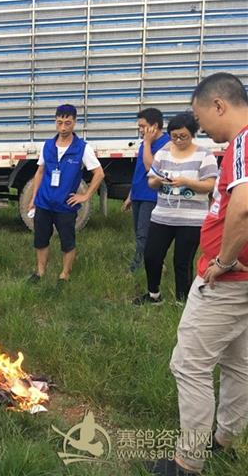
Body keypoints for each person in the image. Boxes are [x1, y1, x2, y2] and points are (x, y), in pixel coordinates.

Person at [147, 72, 248, 476]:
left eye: (201, 117)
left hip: (228, 280)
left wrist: (223, 260)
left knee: (189, 364)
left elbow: (242, 207)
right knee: (238, 361)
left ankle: (187, 462)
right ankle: (226, 439)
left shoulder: (243, 142)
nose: (201, 127)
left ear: (219, 105)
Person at [132, 112, 218, 305]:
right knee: (152, 256)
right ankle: (153, 295)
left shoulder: (205, 154)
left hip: (192, 219)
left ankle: (182, 300)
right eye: (174, 136)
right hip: (162, 216)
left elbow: (210, 185)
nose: (178, 140)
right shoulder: (163, 152)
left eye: (183, 136)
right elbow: (151, 180)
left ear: (193, 134)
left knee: (182, 261)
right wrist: (158, 181)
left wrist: (186, 182)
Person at [27, 104, 104, 282]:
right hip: (44, 202)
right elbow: (40, 172)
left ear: (74, 122)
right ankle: (40, 272)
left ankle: (65, 274)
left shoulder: (82, 148)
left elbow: (99, 173)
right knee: (41, 239)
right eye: (59, 122)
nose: (63, 128)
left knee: (67, 241)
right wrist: (33, 198)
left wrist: (85, 196)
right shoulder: (47, 145)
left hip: (65, 205)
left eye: (67, 123)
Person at [122, 108, 171, 272]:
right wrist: (131, 195)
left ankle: (136, 269)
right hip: (138, 194)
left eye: (143, 126)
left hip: (151, 196)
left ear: (154, 126)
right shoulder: (145, 143)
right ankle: (157, 264)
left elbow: (151, 168)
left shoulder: (166, 144)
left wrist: (148, 143)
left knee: (144, 235)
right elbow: (139, 170)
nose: (141, 130)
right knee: (140, 233)